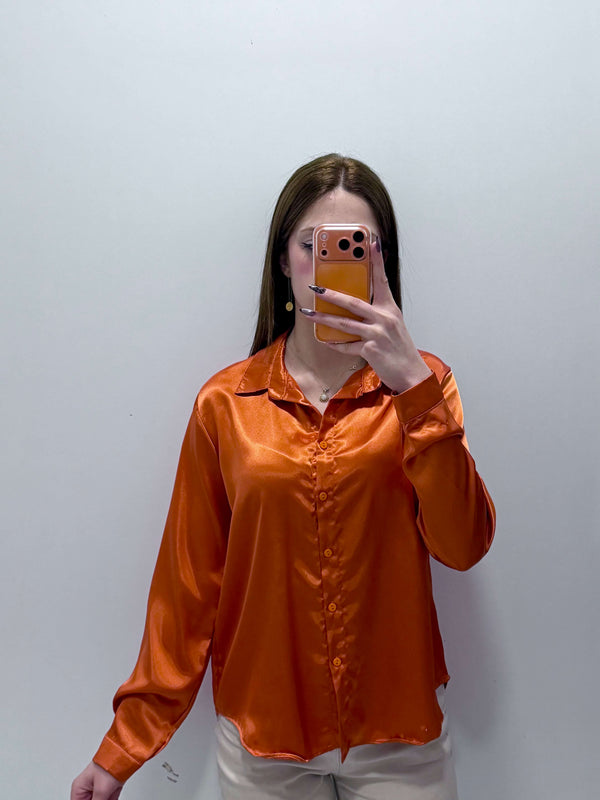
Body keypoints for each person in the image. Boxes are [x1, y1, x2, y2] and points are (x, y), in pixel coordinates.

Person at [71, 153, 496, 800]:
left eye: (359, 246)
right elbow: (186, 589)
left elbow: (463, 546)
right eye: (314, 244)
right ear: (282, 260)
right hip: (262, 744)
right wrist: (122, 749)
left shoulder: (425, 386)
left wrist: (413, 389)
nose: (333, 264)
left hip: (400, 737)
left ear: (383, 261)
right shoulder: (224, 406)